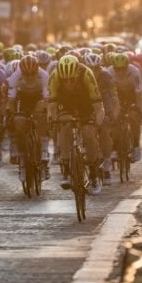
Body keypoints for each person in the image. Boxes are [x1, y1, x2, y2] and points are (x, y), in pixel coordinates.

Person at [47, 55, 105, 195]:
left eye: (71, 80)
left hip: (85, 102)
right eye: (65, 80)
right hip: (65, 103)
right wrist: (53, 120)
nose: (68, 83)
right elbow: (52, 106)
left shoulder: (87, 74)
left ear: (77, 73)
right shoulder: (54, 76)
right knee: (65, 127)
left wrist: (97, 123)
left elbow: (98, 106)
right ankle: (66, 169)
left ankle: (94, 174)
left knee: (88, 133)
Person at [6, 53, 50, 182]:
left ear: (37, 70)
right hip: (22, 100)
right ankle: (22, 158)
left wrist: (44, 112)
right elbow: (11, 101)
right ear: (22, 72)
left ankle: (43, 150)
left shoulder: (44, 75)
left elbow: (47, 99)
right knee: (18, 122)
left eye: (33, 74)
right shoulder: (15, 77)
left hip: (38, 99)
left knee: (41, 116)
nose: (30, 77)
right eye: (27, 74)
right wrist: (12, 115)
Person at [84, 53, 118, 182]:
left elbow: (114, 98)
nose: (93, 71)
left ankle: (107, 164)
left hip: (104, 104)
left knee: (104, 130)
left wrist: (112, 114)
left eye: (96, 68)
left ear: (100, 68)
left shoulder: (106, 76)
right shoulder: (81, 76)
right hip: (87, 105)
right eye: (90, 68)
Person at [109, 53, 142, 162]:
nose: (120, 72)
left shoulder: (135, 72)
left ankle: (136, 146)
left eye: (123, 69)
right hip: (116, 96)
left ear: (127, 67)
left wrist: (139, 111)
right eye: (117, 69)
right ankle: (114, 147)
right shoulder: (109, 72)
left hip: (132, 95)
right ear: (114, 68)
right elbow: (108, 94)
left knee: (134, 118)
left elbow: (139, 94)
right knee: (114, 119)